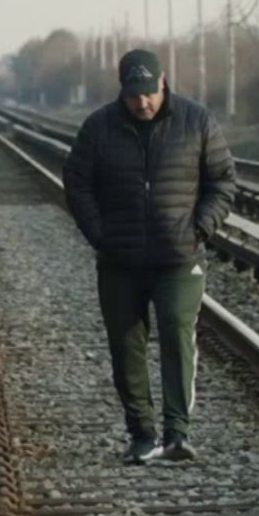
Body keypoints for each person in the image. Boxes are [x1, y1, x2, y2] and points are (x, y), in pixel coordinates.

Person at [63, 49, 236, 464]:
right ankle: (142, 434)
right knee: (126, 347)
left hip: (178, 257)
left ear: (163, 83)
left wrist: (200, 228)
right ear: (122, 91)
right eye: (133, 95)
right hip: (119, 260)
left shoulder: (197, 121)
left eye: (149, 93)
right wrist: (99, 235)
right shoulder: (99, 128)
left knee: (178, 335)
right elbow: (77, 183)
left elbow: (223, 181)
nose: (143, 102)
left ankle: (178, 433)